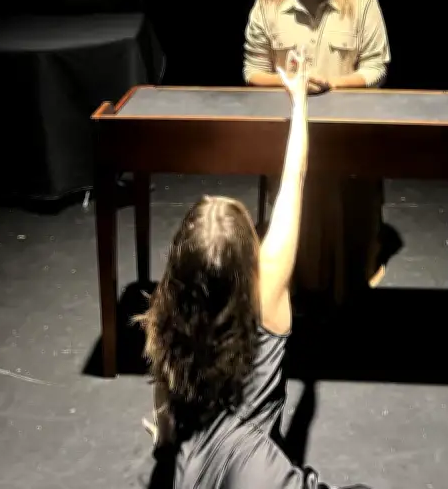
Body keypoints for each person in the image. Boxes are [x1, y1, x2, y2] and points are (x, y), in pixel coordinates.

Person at [134, 51, 371, 488]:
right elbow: (294, 178)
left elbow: (163, 393)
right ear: (249, 260)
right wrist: (299, 102)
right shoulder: (266, 295)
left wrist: (166, 442)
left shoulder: (168, 315)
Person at [243, 0, 392, 309]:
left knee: (351, 222)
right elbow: (253, 70)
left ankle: (352, 277)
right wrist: (294, 86)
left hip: (348, 134)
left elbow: (376, 67)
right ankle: (295, 280)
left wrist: (329, 86)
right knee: (298, 212)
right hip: (290, 133)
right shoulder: (268, 1)